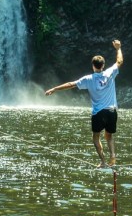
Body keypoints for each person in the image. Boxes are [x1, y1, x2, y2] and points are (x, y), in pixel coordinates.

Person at [45, 40, 123, 168]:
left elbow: (71, 84)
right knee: (109, 136)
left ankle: (103, 162)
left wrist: (54, 89)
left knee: (96, 137)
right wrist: (118, 48)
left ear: (93, 65)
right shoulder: (110, 73)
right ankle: (113, 156)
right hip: (111, 111)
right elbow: (119, 61)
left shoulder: (88, 79)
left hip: (98, 113)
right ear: (103, 65)